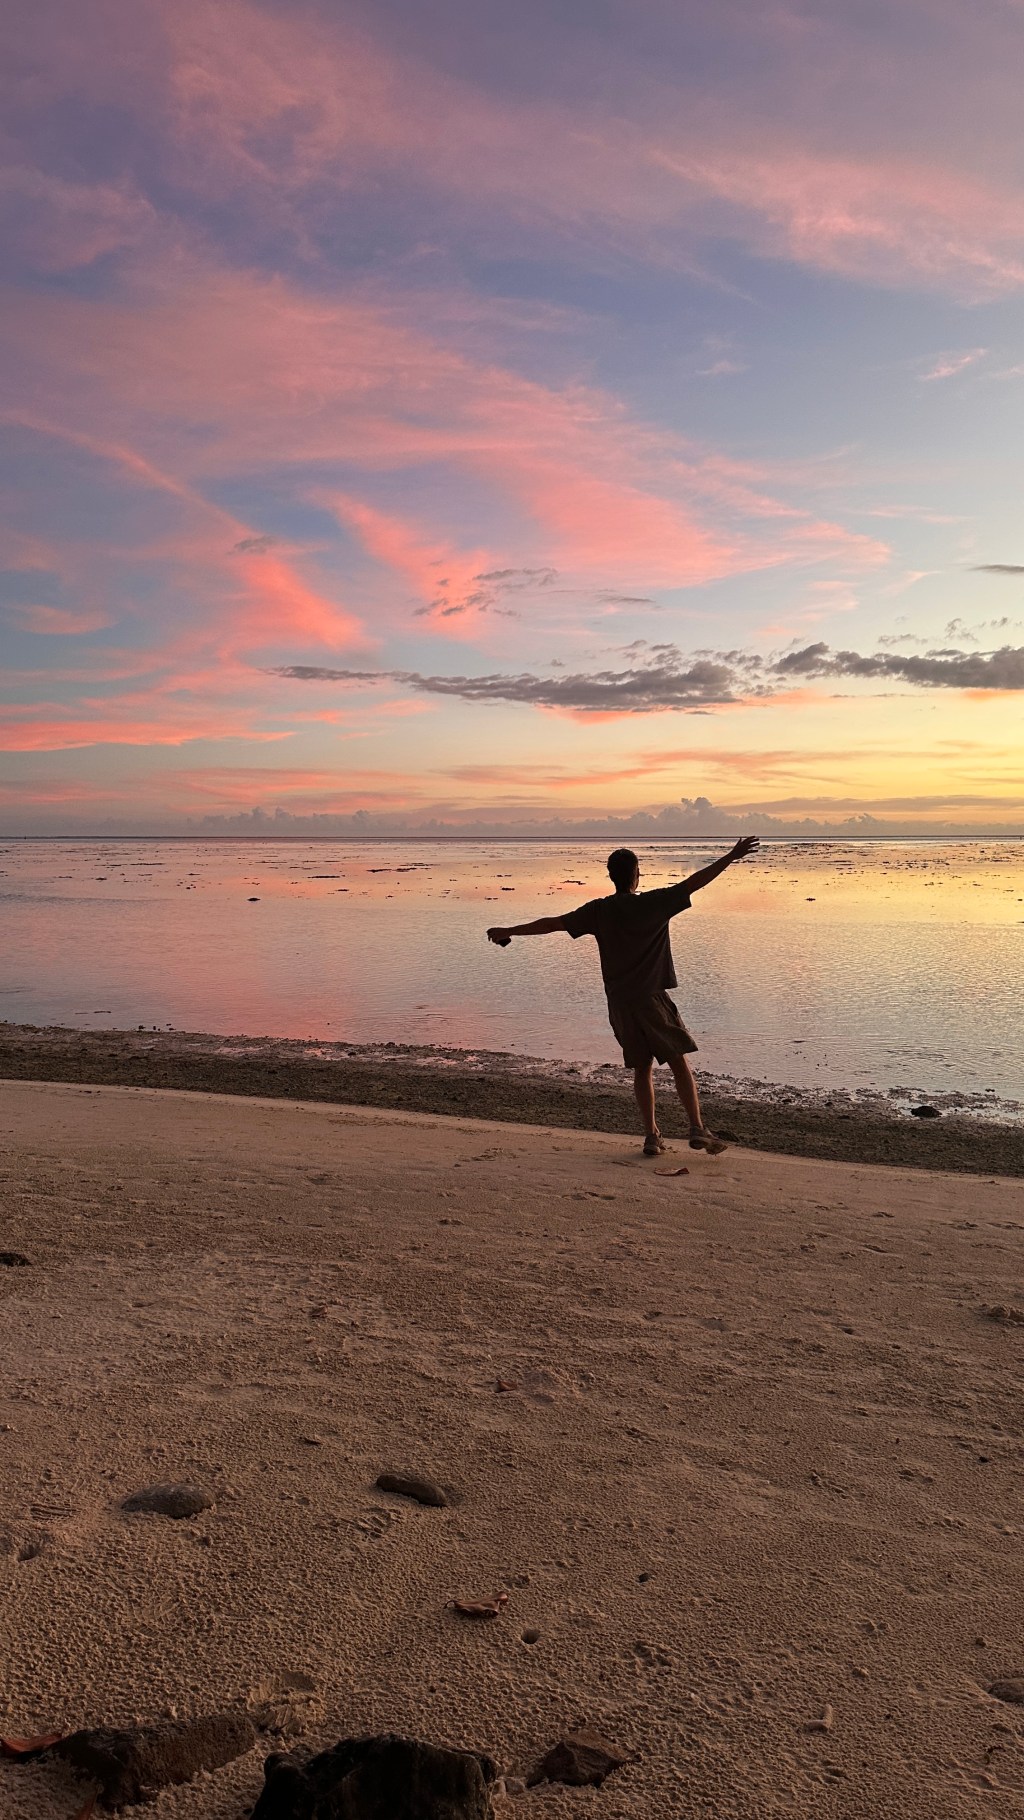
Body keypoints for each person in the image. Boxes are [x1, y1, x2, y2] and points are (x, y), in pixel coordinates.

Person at [487, 837, 759, 1156]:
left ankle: (651, 1136)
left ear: (612, 876)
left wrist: (509, 931)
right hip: (652, 999)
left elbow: (553, 924)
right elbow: (695, 882)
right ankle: (697, 1128)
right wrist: (732, 855)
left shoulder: (599, 910)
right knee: (677, 1061)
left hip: (619, 1004)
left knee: (642, 1067)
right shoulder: (653, 903)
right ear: (636, 875)